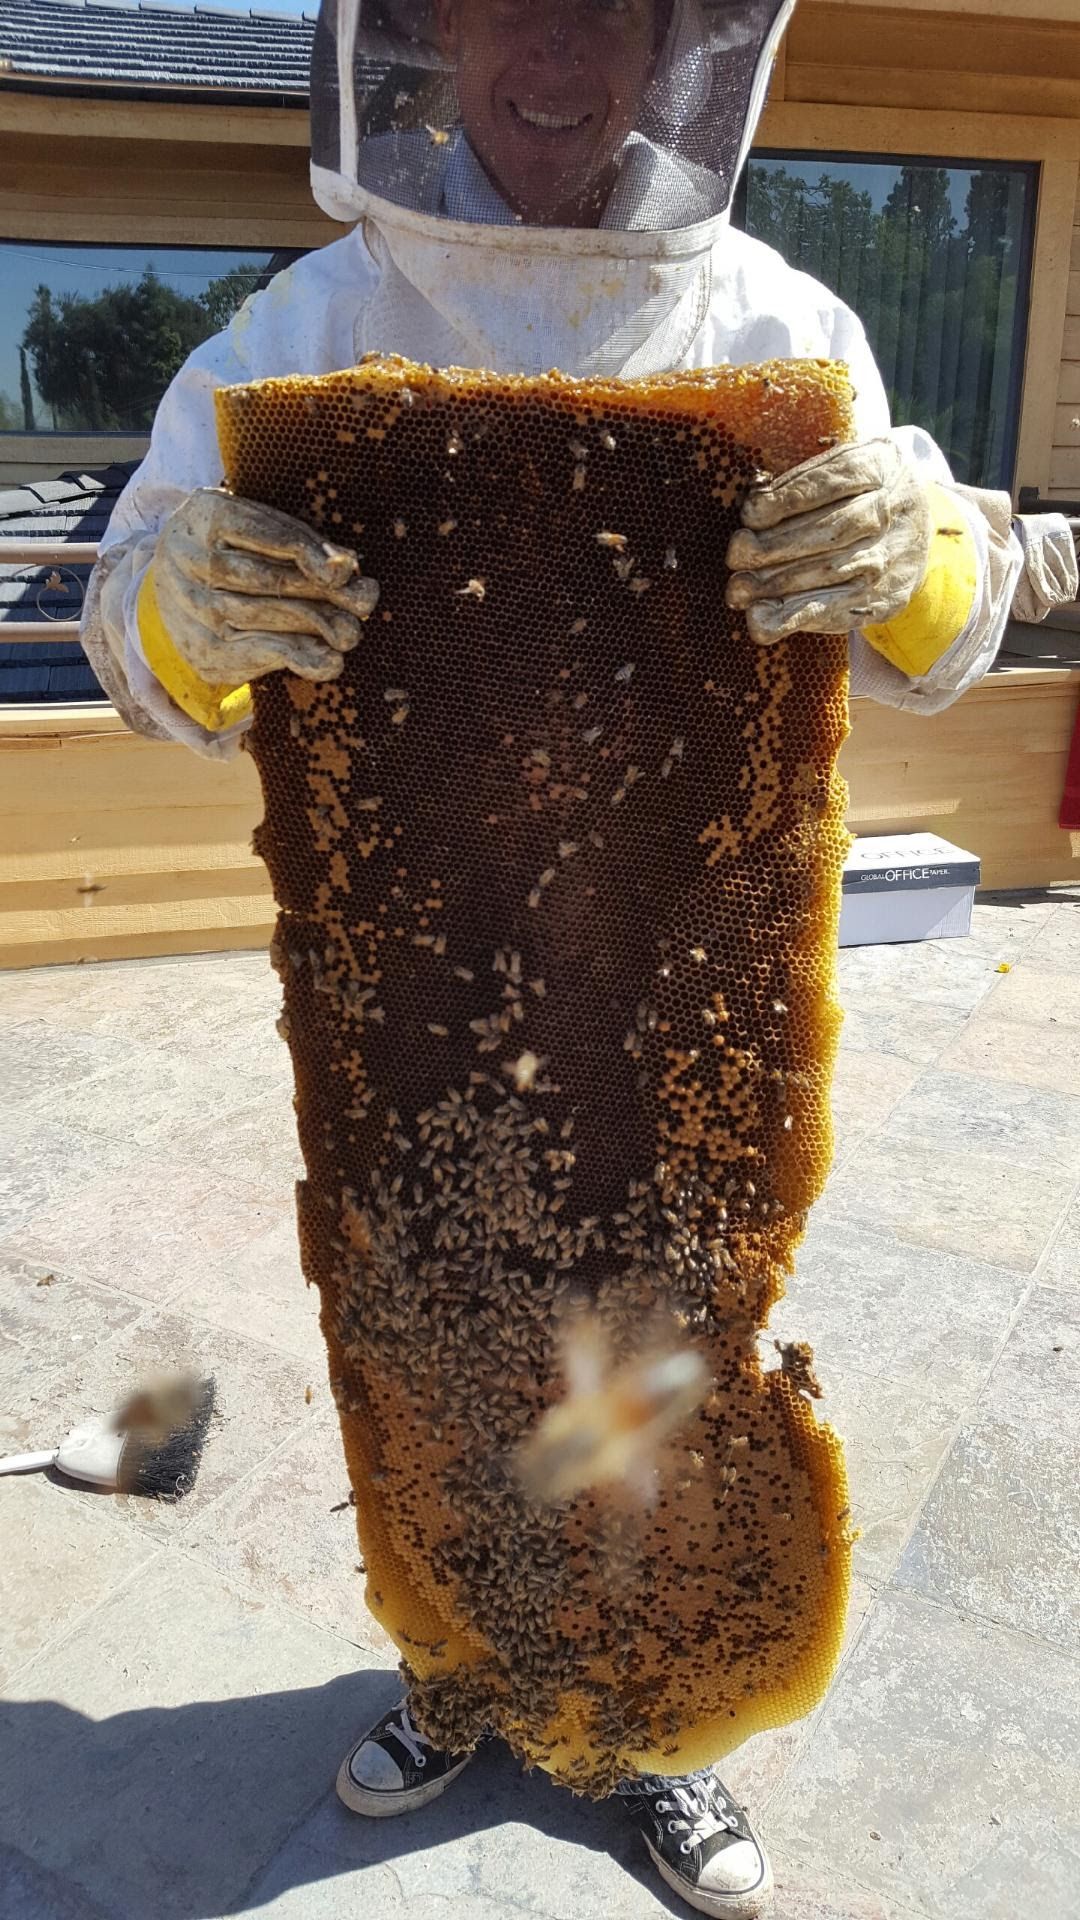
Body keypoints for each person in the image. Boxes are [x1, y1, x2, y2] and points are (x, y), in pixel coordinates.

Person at [81, 3, 1077, 1913]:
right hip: (414, 972)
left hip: (671, 964)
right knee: (423, 1328)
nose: (556, 43)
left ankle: (654, 1722)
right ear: (432, 30)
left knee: (648, 1361)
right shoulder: (300, 332)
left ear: (676, 42)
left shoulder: (772, 321)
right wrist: (187, 597)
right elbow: (141, 645)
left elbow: (935, 642)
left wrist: (925, 547)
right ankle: (458, 1669)